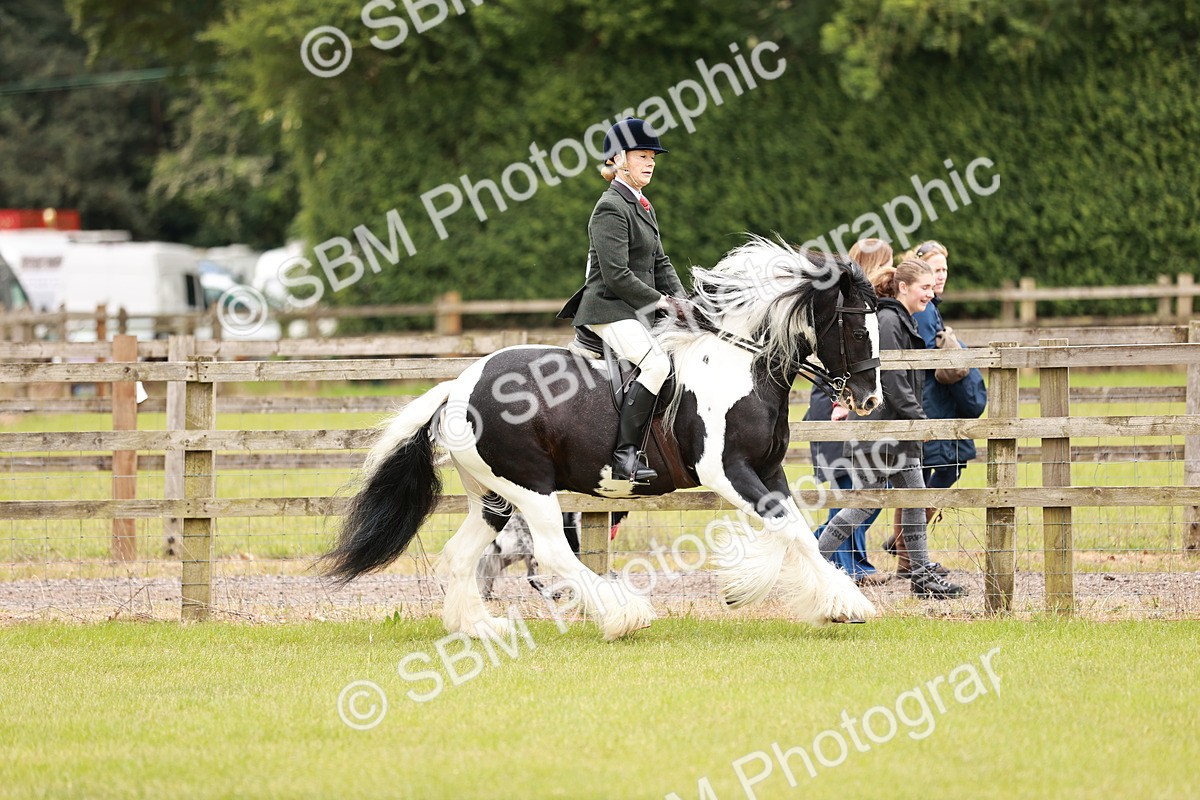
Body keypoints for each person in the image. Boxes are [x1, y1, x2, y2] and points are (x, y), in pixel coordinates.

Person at [816, 257, 966, 598]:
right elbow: (894, 380)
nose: (930, 294)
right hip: (882, 430)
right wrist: (918, 420)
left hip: (894, 432)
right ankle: (816, 562)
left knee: (910, 498)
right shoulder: (888, 321)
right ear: (903, 287)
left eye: (931, 287)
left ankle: (920, 573)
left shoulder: (900, 319)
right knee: (867, 503)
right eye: (924, 288)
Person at [557, 118, 688, 484]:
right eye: (642, 155)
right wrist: (662, 302)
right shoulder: (610, 207)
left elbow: (660, 262)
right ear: (618, 159)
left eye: (653, 157)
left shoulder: (643, 205)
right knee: (657, 366)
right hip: (609, 307)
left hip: (634, 307)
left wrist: (686, 303)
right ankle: (624, 456)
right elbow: (616, 275)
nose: (650, 162)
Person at [883, 240, 986, 574]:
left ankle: (906, 550)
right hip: (927, 403)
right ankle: (907, 552)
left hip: (932, 403)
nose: (940, 277)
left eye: (944, 270)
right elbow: (921, 356)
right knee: (925, 478)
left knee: (924, 479)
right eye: (934, 270)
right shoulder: (922, 310)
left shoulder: (929, 306)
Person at [805, 238, 894, 585]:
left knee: (860, 494)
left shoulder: (864, 310)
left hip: (846, 408)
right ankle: (844, 565)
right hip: (833, 410)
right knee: (848, 493)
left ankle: (823, 554)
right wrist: (840, 404)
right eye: (887, 262)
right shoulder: (844, 310)